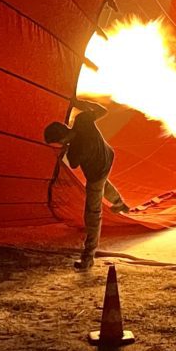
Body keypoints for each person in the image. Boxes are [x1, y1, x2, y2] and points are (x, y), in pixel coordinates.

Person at [44, 101, 132, 271]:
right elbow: (102, 110)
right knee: (102, 184)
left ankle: (88, 257)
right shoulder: (82, 120)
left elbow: (73, 164)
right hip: (107, 156)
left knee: (92, 214)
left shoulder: (74, 150)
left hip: (96, 172)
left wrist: (66, 148)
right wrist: (80, 104)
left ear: (61, 139)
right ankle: (119, 202)